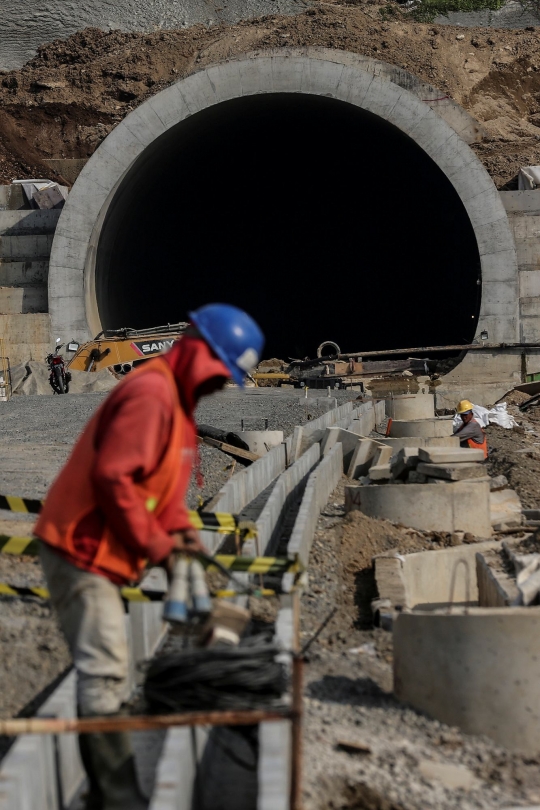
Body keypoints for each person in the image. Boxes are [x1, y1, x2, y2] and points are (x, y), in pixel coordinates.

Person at [35, 303, 264, 810]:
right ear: (200, 353)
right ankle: (116, 797)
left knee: (112, 665)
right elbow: (114, 479)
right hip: (82, 546)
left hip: (106, 551)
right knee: (106, 669)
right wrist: (160, 548)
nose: (218, 386)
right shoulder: (151, 395)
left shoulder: (178, 410)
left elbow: (161, 496)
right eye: (219, 374)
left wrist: (182, 539)